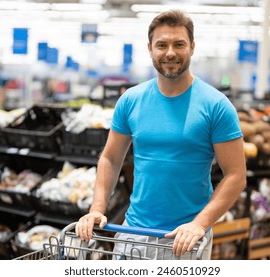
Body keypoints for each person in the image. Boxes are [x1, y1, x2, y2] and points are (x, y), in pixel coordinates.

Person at [76, 10, 246, 259]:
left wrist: (200, 223)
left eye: (179, 44)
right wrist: (97, 208)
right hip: (133, 231)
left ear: (192, 47)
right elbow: (111, 158)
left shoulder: (216, 105)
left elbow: (236, 175)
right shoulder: (131, 101)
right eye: (162, 45)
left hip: (185, 238)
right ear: (150, 48)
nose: (170, 52)